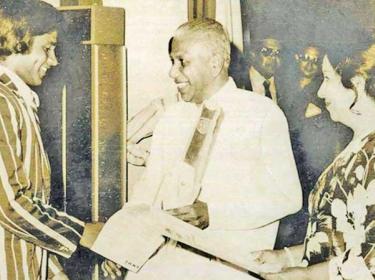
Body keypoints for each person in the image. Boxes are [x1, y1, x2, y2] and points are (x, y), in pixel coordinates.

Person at [121, 18, 301, 280]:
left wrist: (214, 214)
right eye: (172, 62)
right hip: (167, 267)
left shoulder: (262, 115)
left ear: (215, 63)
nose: (173, 73)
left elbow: (289, 198)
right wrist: (123, 242)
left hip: (228, 269)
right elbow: (148, 191)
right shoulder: (172, 118)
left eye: (182, 62)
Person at [0, 2, 105, 279]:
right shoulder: (2, 104)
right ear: (17, 42)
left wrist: (50, 269)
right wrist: (82, 232)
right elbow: (9, 204)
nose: (54, 60)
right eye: (47, 48)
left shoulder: (18, 102)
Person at [254, 44, 375, 279]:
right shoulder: (357, 146)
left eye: (328, 79)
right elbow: (340, 236)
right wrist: (286, 257)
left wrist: (307, 275)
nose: (320, 92)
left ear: (357, 83)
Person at [248, 38, 282, 103]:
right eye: (267, 52)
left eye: (278, 53)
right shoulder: (238, 84)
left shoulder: (285, 86)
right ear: (253, 54)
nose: (273, 57)